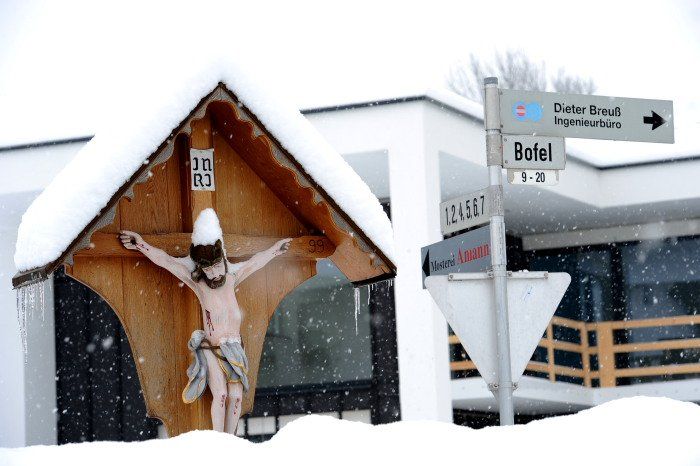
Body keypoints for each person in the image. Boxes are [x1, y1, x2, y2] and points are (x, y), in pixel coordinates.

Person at [119, 208, 291, 434]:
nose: (214, 273)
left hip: (234, 347)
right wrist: (141, 245)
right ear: (201, 269)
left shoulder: (232, 277)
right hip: (211, 346)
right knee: (221, 395)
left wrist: (275, 250)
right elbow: (166, 261)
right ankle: (218, 439)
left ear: (223, 260)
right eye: (208, 269)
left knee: (237, 397)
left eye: (217, 266)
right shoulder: (199, 284)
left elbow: (255, 262)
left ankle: (230, 439)